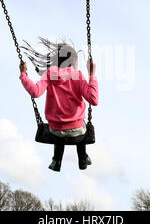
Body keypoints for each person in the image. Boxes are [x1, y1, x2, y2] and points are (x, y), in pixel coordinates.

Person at [19, 38, 99, 171]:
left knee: (58, 130)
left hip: (55, 131)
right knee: (81, 127)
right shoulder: (77, 75)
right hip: (77, 132)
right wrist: (91, 75)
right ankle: (83, 158)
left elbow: (35, 92)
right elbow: (93, 100)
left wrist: (23, 74)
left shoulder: (49, 74)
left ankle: (56, 161)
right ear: (73, 61)